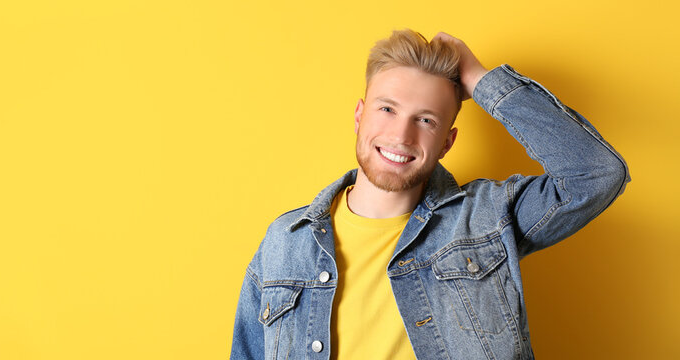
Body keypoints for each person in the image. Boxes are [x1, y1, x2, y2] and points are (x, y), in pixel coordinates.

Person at [229, 29, 629, 360]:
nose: (401, 137)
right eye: (387, 110)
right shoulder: (286, 241)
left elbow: (596, 175)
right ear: (359, 116)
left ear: (447, 142)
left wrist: (480, 79)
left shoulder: (489, 218)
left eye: (425, 120)